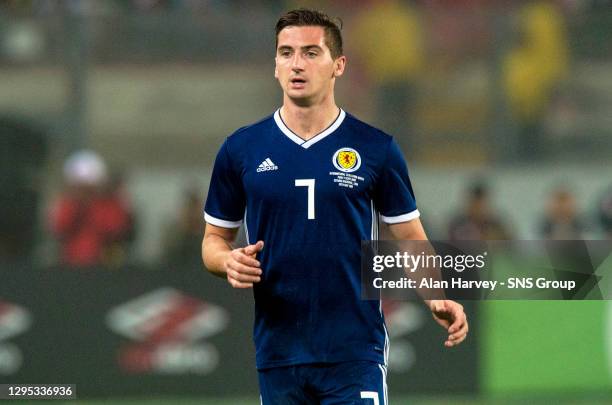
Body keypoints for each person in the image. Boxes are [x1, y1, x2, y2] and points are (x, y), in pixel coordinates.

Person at [202, 9, 468, 404]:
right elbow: (212, 241)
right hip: (278, 353)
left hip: (354, 351)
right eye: (286, 52)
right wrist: (227, 262)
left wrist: (435, 294)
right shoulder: (241, 149)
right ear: (274, 65)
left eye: (311, 52)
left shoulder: (375, 148)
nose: (297, 63)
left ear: (338, 65)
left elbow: (410, 235)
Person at [49, 150, 134, 269]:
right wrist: (77, 205)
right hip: (71, 263)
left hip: (104, 264)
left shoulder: (109, 203)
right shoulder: (67, 203)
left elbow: (116, 228)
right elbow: (59, 227)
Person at [448, 180, 513, 241]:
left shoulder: (496, 225)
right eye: (476, 204)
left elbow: (510, 244)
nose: (479, 209)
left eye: (482, 204)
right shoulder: (458, 225)